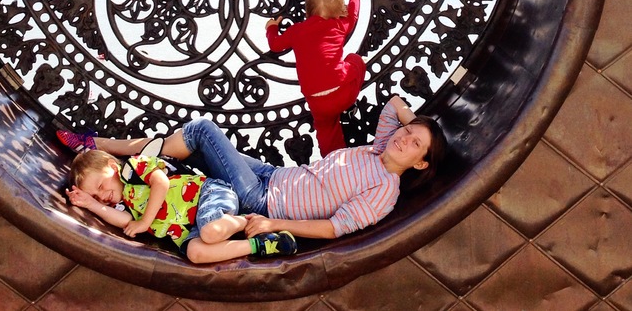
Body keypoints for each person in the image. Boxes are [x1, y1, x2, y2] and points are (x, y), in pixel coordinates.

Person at [57, 95, 446, 243]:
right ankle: (107, 155)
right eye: (407, 132)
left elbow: (334, 228)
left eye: (415, 145)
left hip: (262, 200)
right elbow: (394, 103)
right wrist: (418, 126)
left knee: (202, 130)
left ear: (421, 163)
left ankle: (101, 148)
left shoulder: (385, 189)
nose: (404, 138)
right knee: (185, 146)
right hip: (272, 174)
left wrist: (275, 224)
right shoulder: (377, 150)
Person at [63, 140, 298, 264]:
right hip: (192, 227)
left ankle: (247, 221)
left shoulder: (134, 168)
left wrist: (145, 221)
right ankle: (263, 245)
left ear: (112, 167)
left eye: (101, 186)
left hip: (207, 194)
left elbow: (161, 183)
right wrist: (91, 205)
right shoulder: (123, 205)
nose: (103, 196)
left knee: (210, 231)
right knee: (195, 252)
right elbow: (125, 220)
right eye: (97, 196)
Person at [265, 0, 365, 156]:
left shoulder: (296, 31)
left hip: (317, 101)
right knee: (355, 60)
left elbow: (275, 45)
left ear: (307, 11)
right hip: (343, 92)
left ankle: (334, 161)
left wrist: (271, 28)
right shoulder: (339, 25)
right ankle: (351, 103)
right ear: (338, 12)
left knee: (326, 131)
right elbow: (353, 15)